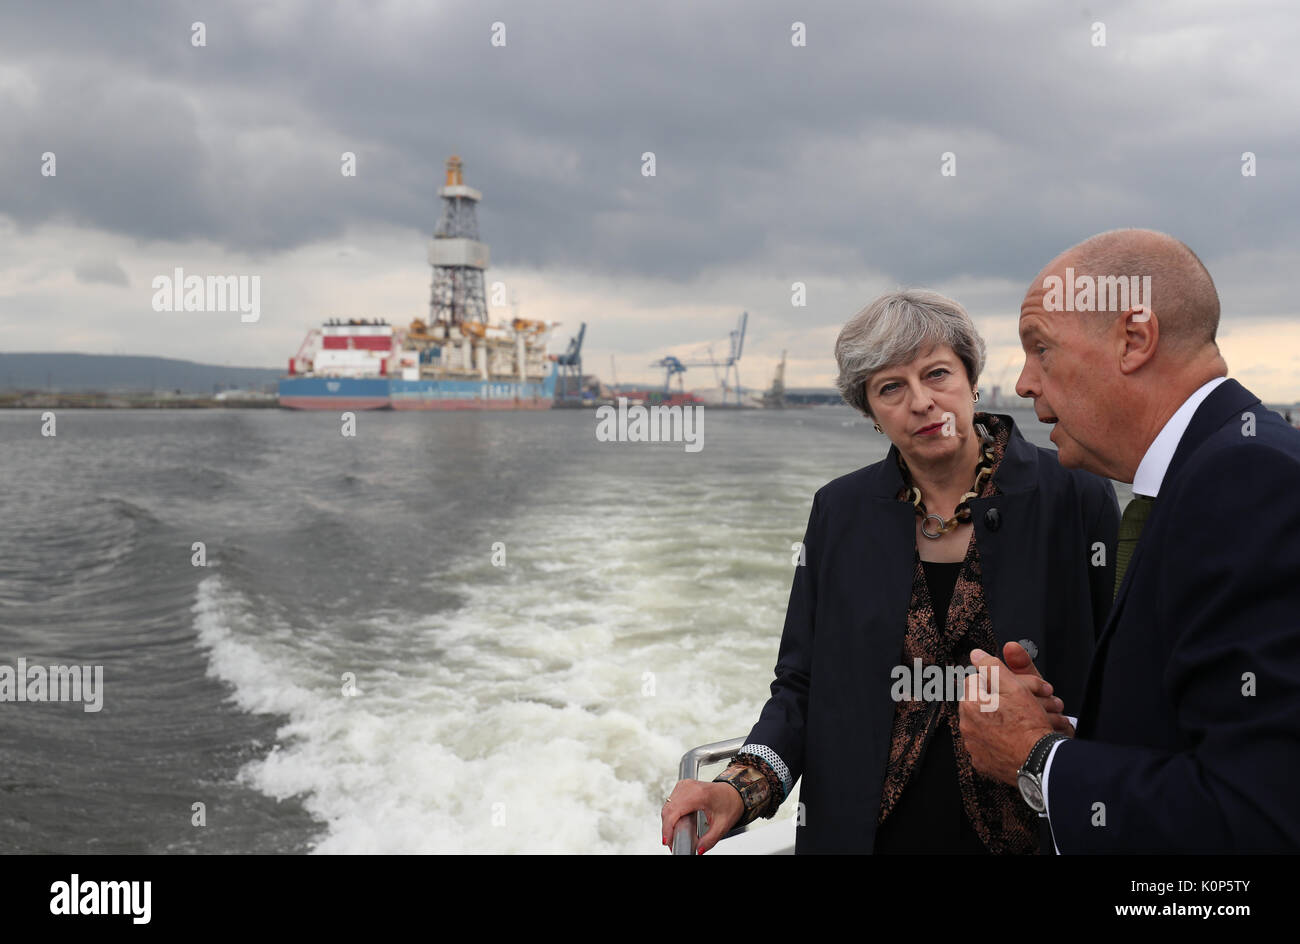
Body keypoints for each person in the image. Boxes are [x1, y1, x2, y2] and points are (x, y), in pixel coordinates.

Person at [660, 290, 1119, 854]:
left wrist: (1064, 731)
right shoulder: (840, 510)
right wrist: (739, 788)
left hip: (1036, 832)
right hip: (864, 834)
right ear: (870, 412)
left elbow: (1117, 677)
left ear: (972, 379)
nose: (923, 402)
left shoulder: (1077, 498)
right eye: (891, 388)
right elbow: (802, 686)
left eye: (938, 373)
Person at [958, 228, 1300, 852]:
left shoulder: (1248, 483)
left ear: (1135, 339)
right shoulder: (1217, 473)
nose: (1026, 382)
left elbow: (1260, 817)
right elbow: (1212, 740)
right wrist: (1067, 734)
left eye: (1040, 348)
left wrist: (1036, 759)